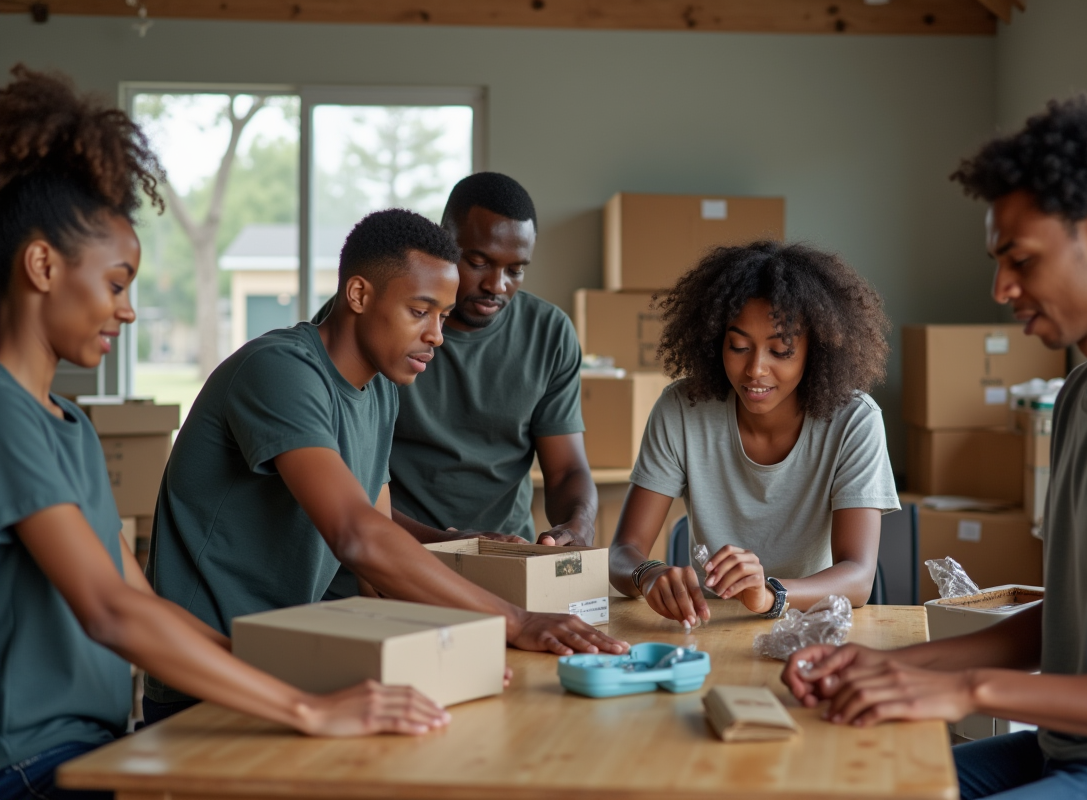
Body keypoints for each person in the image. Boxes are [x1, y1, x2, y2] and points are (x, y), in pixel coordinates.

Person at [0, 66, 453, 800]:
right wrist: (306, 707)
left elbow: (141, 601)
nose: (128, 311)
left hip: (97, 745)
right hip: (28, 765)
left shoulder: (71, 428)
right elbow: (110, 612)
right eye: (116, 284)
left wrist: (275, 679)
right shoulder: (6, 415)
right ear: (43, 265)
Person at [781, 97, 1087, 800]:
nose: (1001, 287)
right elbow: (1067, 619)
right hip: (1059, 752)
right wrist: (897, 665)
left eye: (1020, 260)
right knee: (838, 780)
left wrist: (968, 689)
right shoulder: (1077, 398)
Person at [144, 205, 626, 724]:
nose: (438, 336)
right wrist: (515, 620)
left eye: (443, 315)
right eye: (420, 312)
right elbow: (357, 536)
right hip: (209, 679)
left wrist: (463, 553)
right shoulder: (279, 371)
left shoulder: (379, 390)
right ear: (358, 295)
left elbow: (376, 540)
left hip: (289, 666)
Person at [609, 241, 898, 627]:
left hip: (812, 625)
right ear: (716, 341)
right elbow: (622, 552)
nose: (755, 370)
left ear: (819, 350)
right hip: (710, 626)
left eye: (781, 351)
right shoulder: (683, 409)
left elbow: (859, 576)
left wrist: (770, 595)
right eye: (739, 346)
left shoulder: (854, 422)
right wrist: (649, 575)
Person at [316, 172, 595, 549]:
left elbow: (566, 471)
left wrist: (576, 525)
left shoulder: (549, 332)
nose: (497, 286)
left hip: (504, 553)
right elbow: (344, 488)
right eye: (478, 262)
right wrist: (451, 545)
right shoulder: (371, 324)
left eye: (515, 270)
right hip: (391, 551)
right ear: (445, 244)